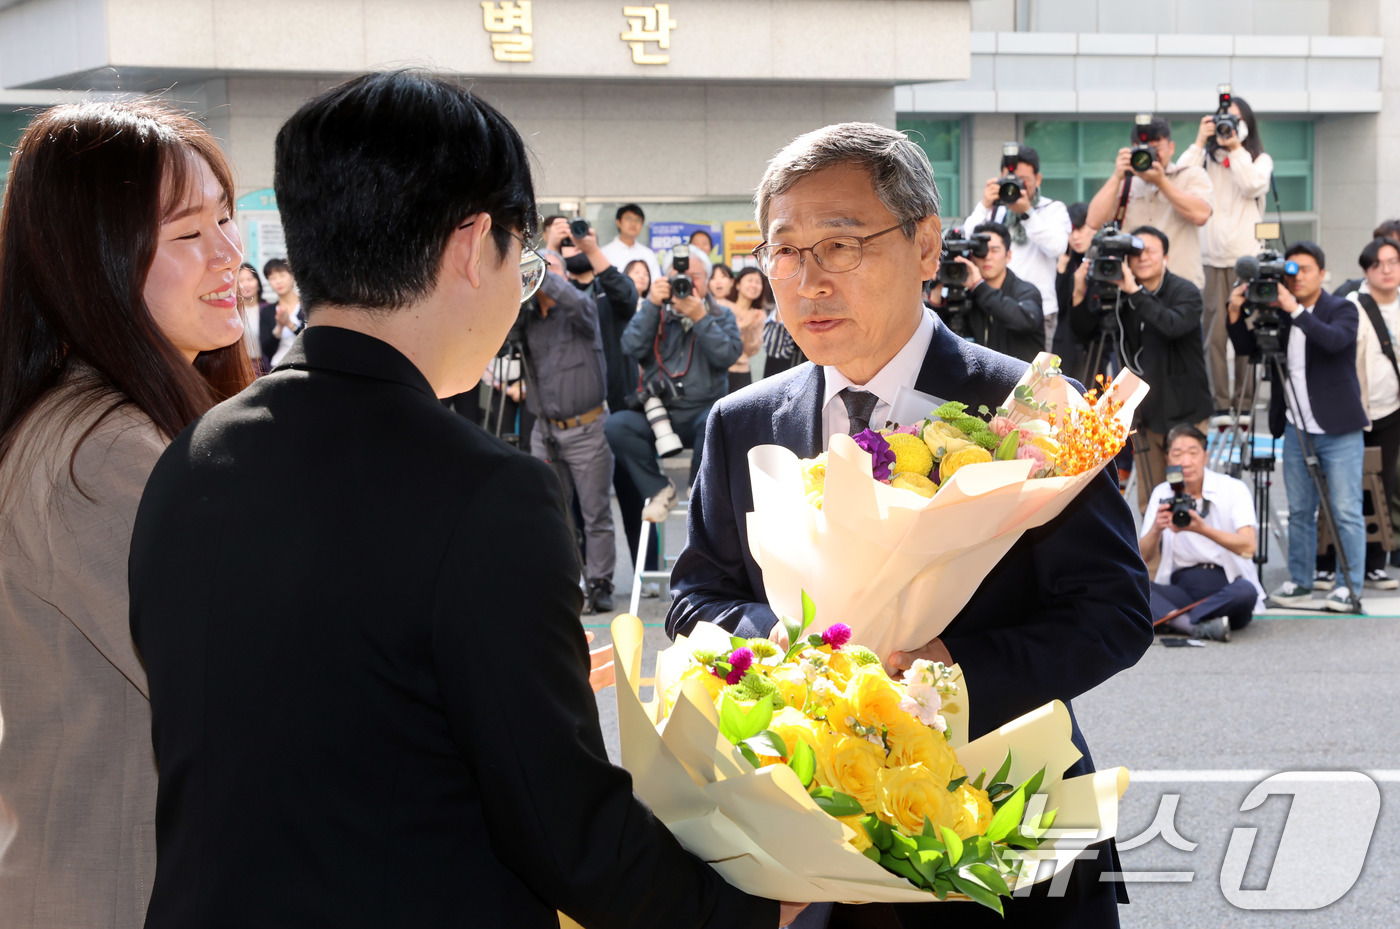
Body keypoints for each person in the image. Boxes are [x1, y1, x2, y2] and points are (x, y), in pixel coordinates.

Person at [127, 70, 796, 929]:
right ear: (471, 244)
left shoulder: (192, 457)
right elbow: (566, 831)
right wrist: (753, 910)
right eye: (525, 259)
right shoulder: (487, 494)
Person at [669, 121, 1153, 929]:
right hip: (811, 840)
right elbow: (696, 601)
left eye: (841, 246)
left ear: (927, 247)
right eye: (785, 252)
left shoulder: (1032, 409)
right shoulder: (741, 423)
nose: (807, 280)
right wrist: (808, 666)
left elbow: (1114, 614)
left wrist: (945, 672)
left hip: (1008, 837)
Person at [0, 98, 255, 929]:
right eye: (188, 235)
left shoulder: (114, 421)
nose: (229, 256)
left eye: (227, 218)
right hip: (117, 890)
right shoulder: (102, 451)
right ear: (93, 260)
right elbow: (247, 686)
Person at [1226, 241, 1367, 613]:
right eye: (1292, 270)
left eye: (1305, 269)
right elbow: (1246, 348)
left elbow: (1334, 342)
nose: (1298, 276)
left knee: (1345, 509)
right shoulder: (1276, 310)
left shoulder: (1343, 308)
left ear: (1322, 273)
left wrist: (1295, 309)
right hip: (1294, 425)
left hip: (1338, 427)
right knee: (1301, 509)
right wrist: (1236, 309)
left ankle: (1346, 584)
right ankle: (1300, 581)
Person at [1068, 225, 1212, 511]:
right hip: (1146, 414)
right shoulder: (1120, 295)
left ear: (1166, 257)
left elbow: (1172, 325)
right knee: (1153, 501)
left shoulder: (1185, 291)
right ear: (1127, 260)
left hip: (1184, 411)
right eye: (1136, 252)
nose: (1143, 257)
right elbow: (1084, 332)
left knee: (1187, 498)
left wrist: (1134, 291)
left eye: (1151, 251)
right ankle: (1153, 555)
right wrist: (1079, 292)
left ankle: (1190, 553)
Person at [607, 244, 742, 523]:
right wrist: (653, 306)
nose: (686, 283)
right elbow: (630, 346)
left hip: (702, 413)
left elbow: (728, 355)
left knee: (716, 421)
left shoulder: (720, 316)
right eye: (678, 276)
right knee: (617, 426)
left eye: (694, 276)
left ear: (705, 280)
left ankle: (698, 490)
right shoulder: (654, 314)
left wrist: (700, 319)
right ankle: (659, 490)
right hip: (659, 415)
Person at [1178, 93, 1273, 413]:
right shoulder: (1205, 159)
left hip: (1246, 264)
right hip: (1209, 261)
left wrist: (1235, 149)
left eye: (1235, 120)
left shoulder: (1259, 159)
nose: (1227, 126)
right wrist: (1199, 141)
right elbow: (1178, 180)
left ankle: (1244, 403)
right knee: (1214, 338)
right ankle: (1219, 403)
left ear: (1247, 124)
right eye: (1222, 120)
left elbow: (1252, 185)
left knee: (1245, 334)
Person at [1321, 236, 1400, 590]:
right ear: (1365, 270)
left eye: (1393, 262)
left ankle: (1374, 564)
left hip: (1391, 410)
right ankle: (1326, 562)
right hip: (1352, 411)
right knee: (1341, 489)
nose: (1387, 270)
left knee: (1381, 488)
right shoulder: (1351, 305)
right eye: (1377, 264)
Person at [1139, 424, 1265, 642]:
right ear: (1168, 459)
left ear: (1205, 457)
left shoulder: (1233, 488)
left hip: (1226, 585)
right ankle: (1198, 626)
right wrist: (1156, 528)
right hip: (1182, 588)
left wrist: (1203, 529)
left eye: (1193, 453)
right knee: (1134, 587)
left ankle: (1177, 621)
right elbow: (1142, 557)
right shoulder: (1162, 492)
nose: (1185, 461)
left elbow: (1248, 546)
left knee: (1246, 591)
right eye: (1177, 454)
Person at [1085, 117, 1213, 291]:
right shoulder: (1124, 182)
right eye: (1142, 149)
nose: (1149, 154)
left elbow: (1201, 215)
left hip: (1181, 284)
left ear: (1171, 147)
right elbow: (1093, 222)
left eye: (1156, 148)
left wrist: (1162, 182)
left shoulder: (1191, 175)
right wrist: (1116, 177)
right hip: (1132, 285)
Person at [963, 144, 1070, 350]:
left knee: (1033, 376)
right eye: (1009, 180)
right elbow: (967, 239)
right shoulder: (994, 211)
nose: (1015, 187)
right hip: (990, 304)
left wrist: (1027, 212)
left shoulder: (1052, 209)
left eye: (1023, 181)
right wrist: (984, 204)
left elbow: (1057, 247)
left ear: (1037, 180)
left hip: (1034, 309)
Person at [926, 221, 1044, 362]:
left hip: (1023, 380)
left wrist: (979, 286)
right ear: (972, 256)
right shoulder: (966, 295)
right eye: (981, 251)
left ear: (1008, 256)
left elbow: (1024, 321)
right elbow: (936, 338)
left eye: (994, 250)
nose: (987, 256)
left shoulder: (1026, 291)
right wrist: (937, 289)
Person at [1051, 202, 1094, 376]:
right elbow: (1059, 307)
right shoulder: (1064, 259)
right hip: (1066, 345)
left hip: (1094, 342)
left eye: (1081, 229)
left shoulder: (1104, 259)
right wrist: (1061, 273)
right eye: (1071, 231)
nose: (1075, 237)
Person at [728, 267, 772, 391]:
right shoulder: (724, 307)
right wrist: (743, 325)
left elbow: (751, 350)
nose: (754, 285)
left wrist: (751, 328)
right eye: (750, 280)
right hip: (720, 372)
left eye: (758, 282)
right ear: (737, 284)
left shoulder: (759, 315)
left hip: (743, 373)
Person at [600, 202, 661, 284]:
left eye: (638, 220)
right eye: (629, 219)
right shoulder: (603, 253)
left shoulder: (648, 254)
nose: (633, 223)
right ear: (618, 222)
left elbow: (655, 283)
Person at [263, 256, 302, 366]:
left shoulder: (307, 306)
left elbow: (312, 340)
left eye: (282, 275)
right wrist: (279, 328)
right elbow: (267, 350)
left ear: (292, 277)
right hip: (278, 366)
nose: (278, 281)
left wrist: (289, 324)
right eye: (272, 278)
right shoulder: (267, 312)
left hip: (305, 366)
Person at [238, 262, 276, 372]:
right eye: (240, 280)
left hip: (265, 367)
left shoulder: (269, 310)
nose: (245, 284)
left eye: (249, 279)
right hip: (239, 367)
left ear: (258, 283)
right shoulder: (232, 313)